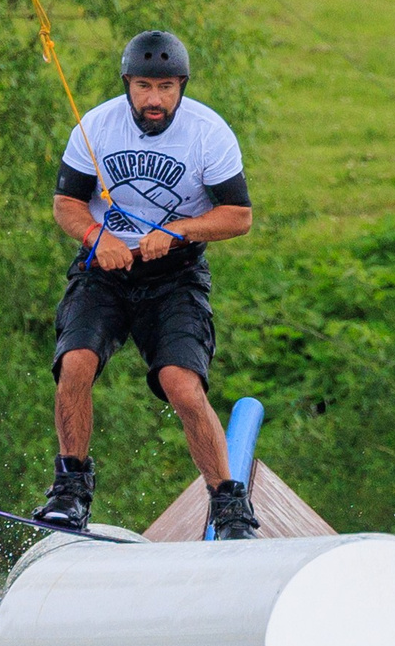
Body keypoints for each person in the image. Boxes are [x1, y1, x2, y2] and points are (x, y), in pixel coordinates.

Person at [34, 30, 257, 536]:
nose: (154, 99)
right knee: (76, 363)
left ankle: (228, 505)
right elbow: (66, 204)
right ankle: (70, 491)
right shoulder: (96, 127)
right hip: (104, 270)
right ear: (127, 85)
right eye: (143, 86)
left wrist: (179, 231)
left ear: (181, 87)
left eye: (165, 87)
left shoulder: (209, 134)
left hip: (174, 276)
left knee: (182, 386)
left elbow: (239, 216)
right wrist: (97, 237)